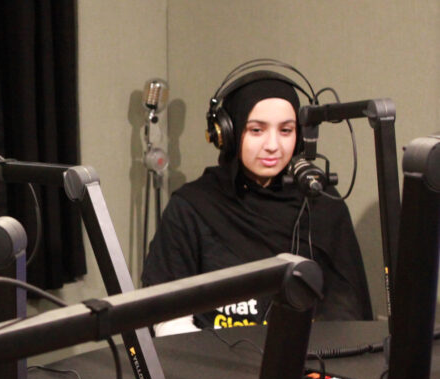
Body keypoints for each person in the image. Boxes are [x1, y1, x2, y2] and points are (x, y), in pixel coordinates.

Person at [142, 71, 373, 335]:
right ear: (227, 133)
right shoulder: (191, 207)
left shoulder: (323, 203)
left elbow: (347, 311)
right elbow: (165, 312)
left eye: (286, 130)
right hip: (214, 366)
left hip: (307, 364)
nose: (273, 145)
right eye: (256, 130)